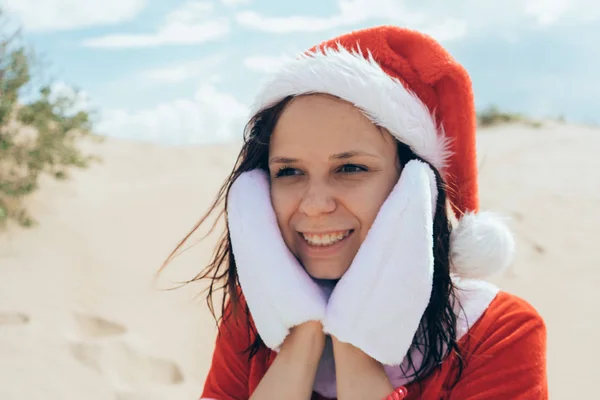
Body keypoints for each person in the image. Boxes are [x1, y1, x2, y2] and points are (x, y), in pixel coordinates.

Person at [165, 25, 548, 399]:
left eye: (350, 169)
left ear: (412, 190)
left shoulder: (498, 331)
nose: (314, 204)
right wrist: (300, 338)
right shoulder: (253, 319)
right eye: (290, 172)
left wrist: (357, 342)